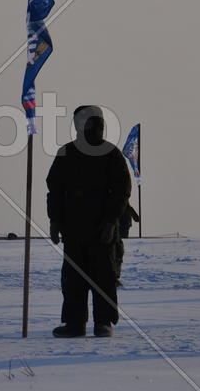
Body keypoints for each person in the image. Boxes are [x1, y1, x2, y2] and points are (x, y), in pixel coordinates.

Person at [47, 106, 132, 338]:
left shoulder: (111, 154)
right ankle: (75, 323)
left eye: (91, 123)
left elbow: (122, 190)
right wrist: (54, 220)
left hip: (103, 230)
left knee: (104, 277)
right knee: (73, 279)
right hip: (73, 229)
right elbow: (54, 189)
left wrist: (111, 220)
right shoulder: (67, 152)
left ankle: (103, 322)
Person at [113, 205, 140, 286]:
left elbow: (135, 216)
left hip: (122, 225)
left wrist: (136, 218)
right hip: (120, 226)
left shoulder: (125, 205)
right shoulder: (125, 205)